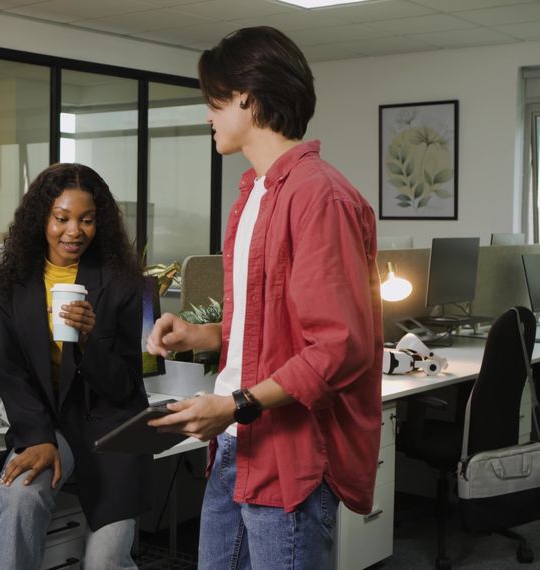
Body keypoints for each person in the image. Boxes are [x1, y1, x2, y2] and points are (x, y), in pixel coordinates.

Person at [146, 27, 383, 569]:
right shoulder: (254, 194)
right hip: (234, 444)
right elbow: (270, 330)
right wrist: (201, 336)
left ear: (247, 99)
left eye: (214, 100)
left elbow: (338, 348)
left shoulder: (318, 196)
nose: (207, 115)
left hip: (289, 455)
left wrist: (235, 404)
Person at [0, 163, 152, 569]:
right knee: (21, 496)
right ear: (42, 218)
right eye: (62, 218)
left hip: (113, 428)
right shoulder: (13, 282)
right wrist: (37, 436)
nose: (73, 231)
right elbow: (10, 370)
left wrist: (90, 338)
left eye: (87, 220)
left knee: (105, 561)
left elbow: (126, 386)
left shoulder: (122, 283)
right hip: (47, 422)